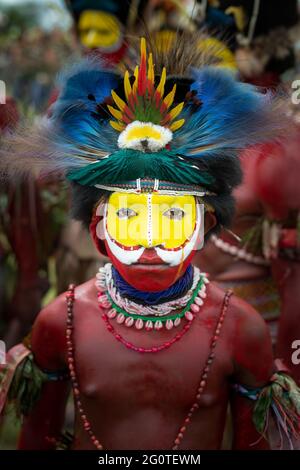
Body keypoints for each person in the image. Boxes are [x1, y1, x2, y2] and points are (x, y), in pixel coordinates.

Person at [1, 33, 299, 450]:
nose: (149, 241)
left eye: (174, 217)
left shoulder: (238, 328)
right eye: (128, 216)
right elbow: (38, 437)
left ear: (203, 226)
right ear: (98, 229)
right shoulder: (59, 323)